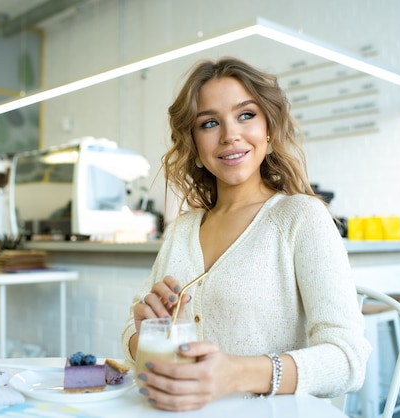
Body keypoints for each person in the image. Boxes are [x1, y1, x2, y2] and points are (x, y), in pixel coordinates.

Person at [120, 57, 371, 412]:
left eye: (246, 115)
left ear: (269, 128)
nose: (229, 134)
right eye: (209, 122)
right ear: (194, 144)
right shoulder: (181, 230)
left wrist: (235, 374)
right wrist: (148, 337)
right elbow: (129, 331)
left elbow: (348, 360)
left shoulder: (301, 217)